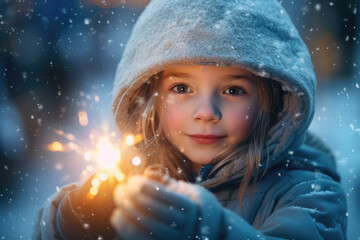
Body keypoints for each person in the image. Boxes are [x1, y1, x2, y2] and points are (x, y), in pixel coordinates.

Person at [34, 0, 348, 239]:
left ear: (273, 102)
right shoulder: (135, 176)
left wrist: (207, 226)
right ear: (151, 97)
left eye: (233, 89)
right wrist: (76, 217)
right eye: (182, 88)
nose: (206, 112)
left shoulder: (309, 194)